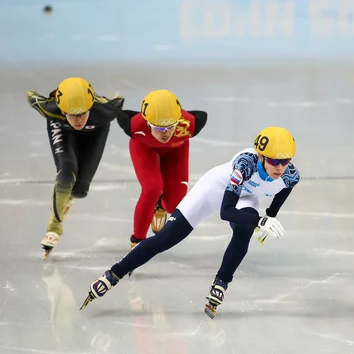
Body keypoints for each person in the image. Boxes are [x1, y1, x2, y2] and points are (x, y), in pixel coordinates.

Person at [79, 127, 300, 319]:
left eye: (285, 161)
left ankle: (221, 283)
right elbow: (226, 211)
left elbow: (284, 190)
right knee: (165, 238)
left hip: (245, 196)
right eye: (273, 160)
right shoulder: (245, 165)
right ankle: (113, 274)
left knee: (244, 232)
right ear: (261, 157)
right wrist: (259, 220)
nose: (279, 167)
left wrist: (270, 214)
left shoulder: (290, 175)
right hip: (214, 190)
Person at [27, 77, 125, 259]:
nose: (79, 119)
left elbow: (118, 102)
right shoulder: (50, 109)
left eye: (82, 114)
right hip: (61, 129)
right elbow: (31, 97)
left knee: (80, 190)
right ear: (63, 110)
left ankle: (68, 195)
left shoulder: (105, 112)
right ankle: (54, 227)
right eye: (73, 115)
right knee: (66, 174)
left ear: (89, 108)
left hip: (96, 131)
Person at [115, 90, 208, 248]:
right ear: (147, 121)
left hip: (176, 150)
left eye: (171, 127)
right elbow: (123, 115)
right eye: (158, 128)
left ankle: (160, 205)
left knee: (175, 205)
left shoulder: (190, 125)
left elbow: (202, 115)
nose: (165, 133)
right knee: (152, 188)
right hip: (144, 147)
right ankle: (137, 239)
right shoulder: (134, 126)